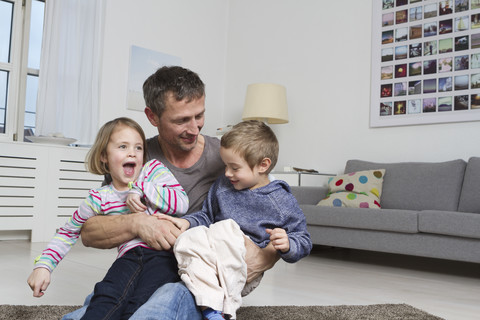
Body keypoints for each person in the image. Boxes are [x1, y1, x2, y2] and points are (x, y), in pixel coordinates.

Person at [63, 66, 281, 320]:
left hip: (203, 275)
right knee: (106, 299)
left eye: (199, 115)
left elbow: (274, 207)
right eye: (181, 120)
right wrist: (138, 223)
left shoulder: (228, 157)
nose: (194, 128)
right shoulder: (135, 156)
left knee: (165, 301)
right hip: (145, 264)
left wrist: (267, 255)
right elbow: (90, 233)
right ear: (152, 116)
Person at [27, 117, 189, 319]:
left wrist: (141, 189)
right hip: (128, 259)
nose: (132, 152)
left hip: (164, 256)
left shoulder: (152, 171)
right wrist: (43, 266)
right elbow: (68, 232)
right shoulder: (99, 198)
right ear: (104, 155)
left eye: (138, 148)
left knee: (140, 306)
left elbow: (182, 203)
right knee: (106, 299)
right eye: (123, 146)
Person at [160, 120, 312, 320]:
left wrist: (288, 244)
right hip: (212, 260)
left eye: (235, 168)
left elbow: (303, 239)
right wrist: (187, 223)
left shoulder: (280, 200)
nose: (227, 173)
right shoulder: (223, 185)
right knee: (188, 239)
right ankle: (212, 310)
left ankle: (225, 306)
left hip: (244, 268)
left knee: (225, 229)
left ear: (262, 165)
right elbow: (207, 215)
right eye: (225, 166)